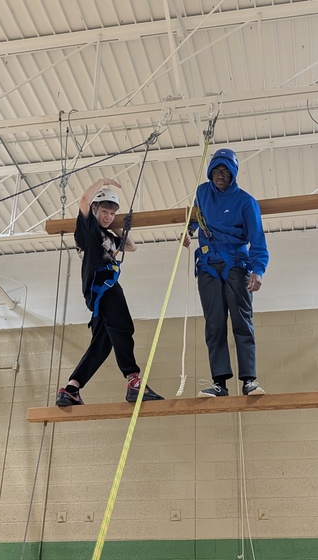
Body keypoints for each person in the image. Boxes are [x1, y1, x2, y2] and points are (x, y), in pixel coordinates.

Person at [55, 178, 163, 407]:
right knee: (124, 326)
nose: (107, 217)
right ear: (95, 209)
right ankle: (133, 381)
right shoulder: (88, 230)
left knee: (102, 344)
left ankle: (72, 387)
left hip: (100, 294)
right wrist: (102, 183)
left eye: (111, 214)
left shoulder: (109, 236)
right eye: (104, 211)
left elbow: (132, 247)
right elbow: (84, 200)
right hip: (104, 287)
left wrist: (117, 224)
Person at [185, 147, 269, 397]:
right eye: (216, 171)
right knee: (214, 324)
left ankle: (249, 380)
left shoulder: (245, 202)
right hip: (208, 264)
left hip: (235, 262)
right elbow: (195, 216)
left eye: (226, 171)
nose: (220, 175)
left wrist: (257, 270)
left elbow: (258, 239)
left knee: (242, 322)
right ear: (210, 172)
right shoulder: (202, 192)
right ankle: (219, 383)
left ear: (233, 174)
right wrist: (188, 230)